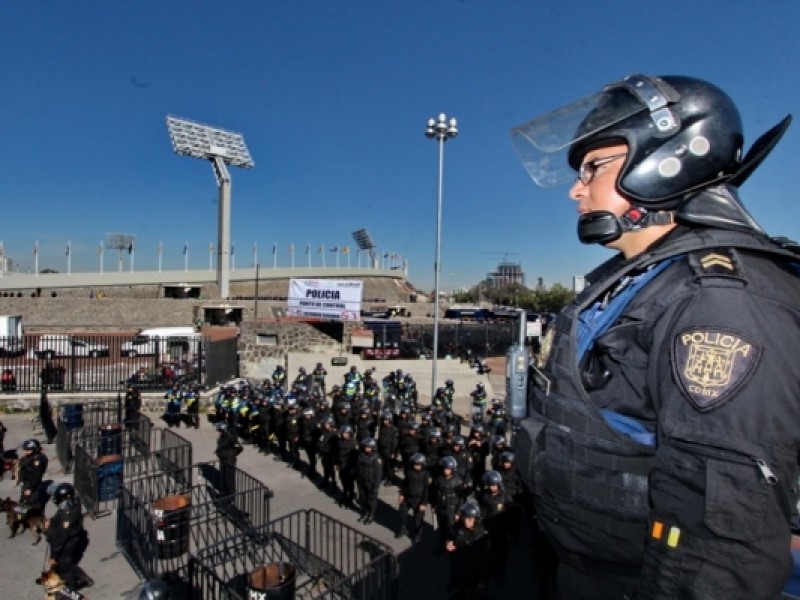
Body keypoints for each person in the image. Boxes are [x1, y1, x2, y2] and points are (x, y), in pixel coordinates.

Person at [510, 73, 800, 598]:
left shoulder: (719, 300)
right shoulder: (639, 279)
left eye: (593, 167)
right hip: (587, 568)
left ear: (669, 159)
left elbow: (720, 535)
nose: (577, 188)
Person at [44, 482, 93, 591]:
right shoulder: (72, 505)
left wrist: (53, 556)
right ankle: (83, 579)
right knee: (70, 564)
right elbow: (59, 519)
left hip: (67, 544)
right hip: (74, 539)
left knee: (64, 570)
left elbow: (60, 538)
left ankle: (70, 591)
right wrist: (51, 522)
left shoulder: (66, 514)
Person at [445, 501, 489, 598]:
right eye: (465, 517)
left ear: (476, 519)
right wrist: (448, 543)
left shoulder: (481, 535)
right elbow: (450, 536)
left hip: (472, 572)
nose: (466, 521)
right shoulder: (457, 526)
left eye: (470, 518)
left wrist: (483, 580)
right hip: (458, 567)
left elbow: (484, 561)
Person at [396, 452, 429, 543]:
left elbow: (426, 490)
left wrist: (424, 503)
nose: (416, 466)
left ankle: (417, 534)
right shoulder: (409, 472)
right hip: (408, 497)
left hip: (419, 500)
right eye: (415, 464)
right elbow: (404, 484)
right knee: (402, 514)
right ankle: (402, 528)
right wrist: (402, 494)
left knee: (418, 520)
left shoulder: (425, 475)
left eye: (418, 465)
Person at [356, 437, 382, 524]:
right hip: (362, 481)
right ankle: (365, 512)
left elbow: (378, 474)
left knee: (371, 500)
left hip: (371, 482)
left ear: (372, 447)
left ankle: (371, 514)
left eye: (368, 447)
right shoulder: (361, 456)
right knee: (363, 498)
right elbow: (358, 468)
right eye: (365, 447)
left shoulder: (376, 458)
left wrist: (376, 487)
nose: (366, 449)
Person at [214, 422, 242, 497]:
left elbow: (239, 448)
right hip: (223, 461)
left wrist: (231, 454)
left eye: (220, 431)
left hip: (229, 461)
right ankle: (223, 493)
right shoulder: (221, 438)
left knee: (229, 479)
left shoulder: (231, 438)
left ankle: (231, 496)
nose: (219, 432)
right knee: (222, 478)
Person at [18, 438, 48, 510]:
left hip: (32, 485)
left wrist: (30, 488)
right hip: (26, 483)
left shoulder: (37, 460)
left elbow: (36, 476)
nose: (26, 452)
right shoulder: (29, 457)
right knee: (23, 503)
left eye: (28, 450)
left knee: (32, 505)